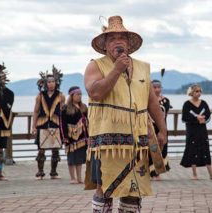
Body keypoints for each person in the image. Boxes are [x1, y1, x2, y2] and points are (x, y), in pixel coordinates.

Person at [84, 15, 167, 212]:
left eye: (122, 37)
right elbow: (95, 92)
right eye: (112, 38)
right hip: (107, 141)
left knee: (134, 188)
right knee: (104, 188)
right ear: (104, 45)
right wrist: (117, 69)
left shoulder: (142, 67)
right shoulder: (95, 65)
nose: (118, 41)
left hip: (138, 139)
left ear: (129, 44)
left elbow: (152, 103)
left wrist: (163, 130)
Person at [32, 65, 65, 180]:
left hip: (56, 124)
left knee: (55, 149)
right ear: (45, 83)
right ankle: (40, 172)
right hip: (42, 124)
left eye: (53, 81)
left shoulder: (61, 95)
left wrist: (63, 127)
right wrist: (34, 126)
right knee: (41, 150)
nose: (51, 84)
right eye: (49, 82)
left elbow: (63, 112)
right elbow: (36, 111)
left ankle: (53, 172)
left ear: (56, 83)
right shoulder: (40, 95)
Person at [180, 84, 212, 180]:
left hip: (202, 130)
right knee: (193, 149)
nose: (198, 93)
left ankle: (211, 174)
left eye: (200, 91)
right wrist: (196, 118)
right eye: (196, 91)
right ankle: (194, 174)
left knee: (205, 149)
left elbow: (208, 114)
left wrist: (203, 118)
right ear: (191, 92)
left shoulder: (204, 103)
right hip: (192, 130)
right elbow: (184, 118)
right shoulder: (187, 104)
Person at [61, 86, 88, 184]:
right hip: (70, 137)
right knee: (71, 158)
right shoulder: (65, 108)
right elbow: (62, 124)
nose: (80, 96)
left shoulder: (84, 107)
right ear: (72, 96)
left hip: (82, 137)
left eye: (81, 94)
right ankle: (72, 178)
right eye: (77, 94)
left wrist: (88, 136)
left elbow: (87, 122)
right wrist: (64, 137)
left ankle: (79, 177)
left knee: (80, 158)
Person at [0, 63, 14, 181]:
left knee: (0, 149)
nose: (1, 80)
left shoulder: (9, 93)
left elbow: (7, 108)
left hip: (3, 124)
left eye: (2, 78)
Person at [148, 80, 171, 180]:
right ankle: (150, 172)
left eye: (159, 87)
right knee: (151, 150)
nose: (157, 89)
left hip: (161, 127)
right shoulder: (147, 100)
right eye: (154, 87)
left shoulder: (165, 101)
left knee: (161, 149)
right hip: (150, 127)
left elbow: (163, 115)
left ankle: (158, 172)